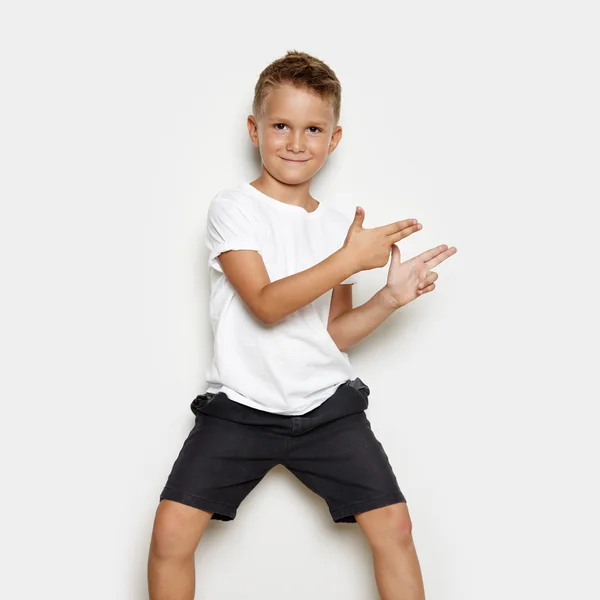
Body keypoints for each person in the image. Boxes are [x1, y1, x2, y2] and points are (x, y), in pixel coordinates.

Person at [147, 50, 457, 600]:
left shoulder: (343, 230)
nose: (296, 142)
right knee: (172, 533)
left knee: (395, 528)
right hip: (242, 407)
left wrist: (388, 296)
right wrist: (347, 261)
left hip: (325, 408)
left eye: (313, 129)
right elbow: (266, 304)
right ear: (254, 130)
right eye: (281, 126)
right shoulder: (233, 208)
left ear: (334, 139)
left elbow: (331, 334)